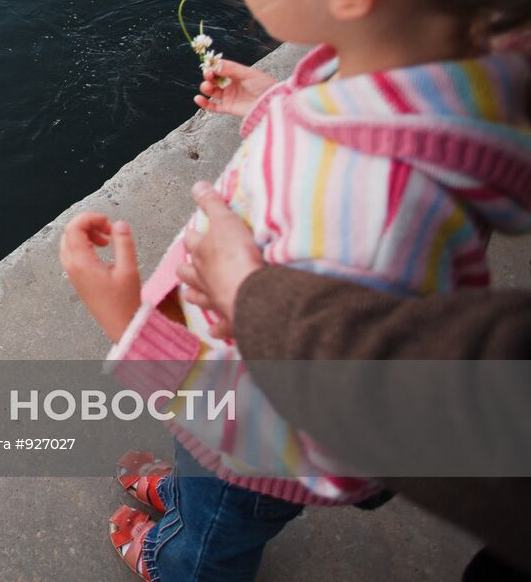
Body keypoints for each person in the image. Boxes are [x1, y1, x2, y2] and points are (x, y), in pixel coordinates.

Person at [58, 0, 531, 582]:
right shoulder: (405, 77)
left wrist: (128, 322)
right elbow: (362, 148)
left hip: (256, 443)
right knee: (208, 481)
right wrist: (275, 105)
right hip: (236, 388)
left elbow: (314, 439)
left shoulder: (371, 221)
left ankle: (180, 552)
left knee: (218, 526)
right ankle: (196, 496)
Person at [177, 170, 531, 581]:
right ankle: (185, 510)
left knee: (215, 534)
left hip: (256, 443)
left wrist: (127, 316)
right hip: (248, 419)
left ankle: (177, 561)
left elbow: (417, 399)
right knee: (203, 494)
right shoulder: (430, 209)